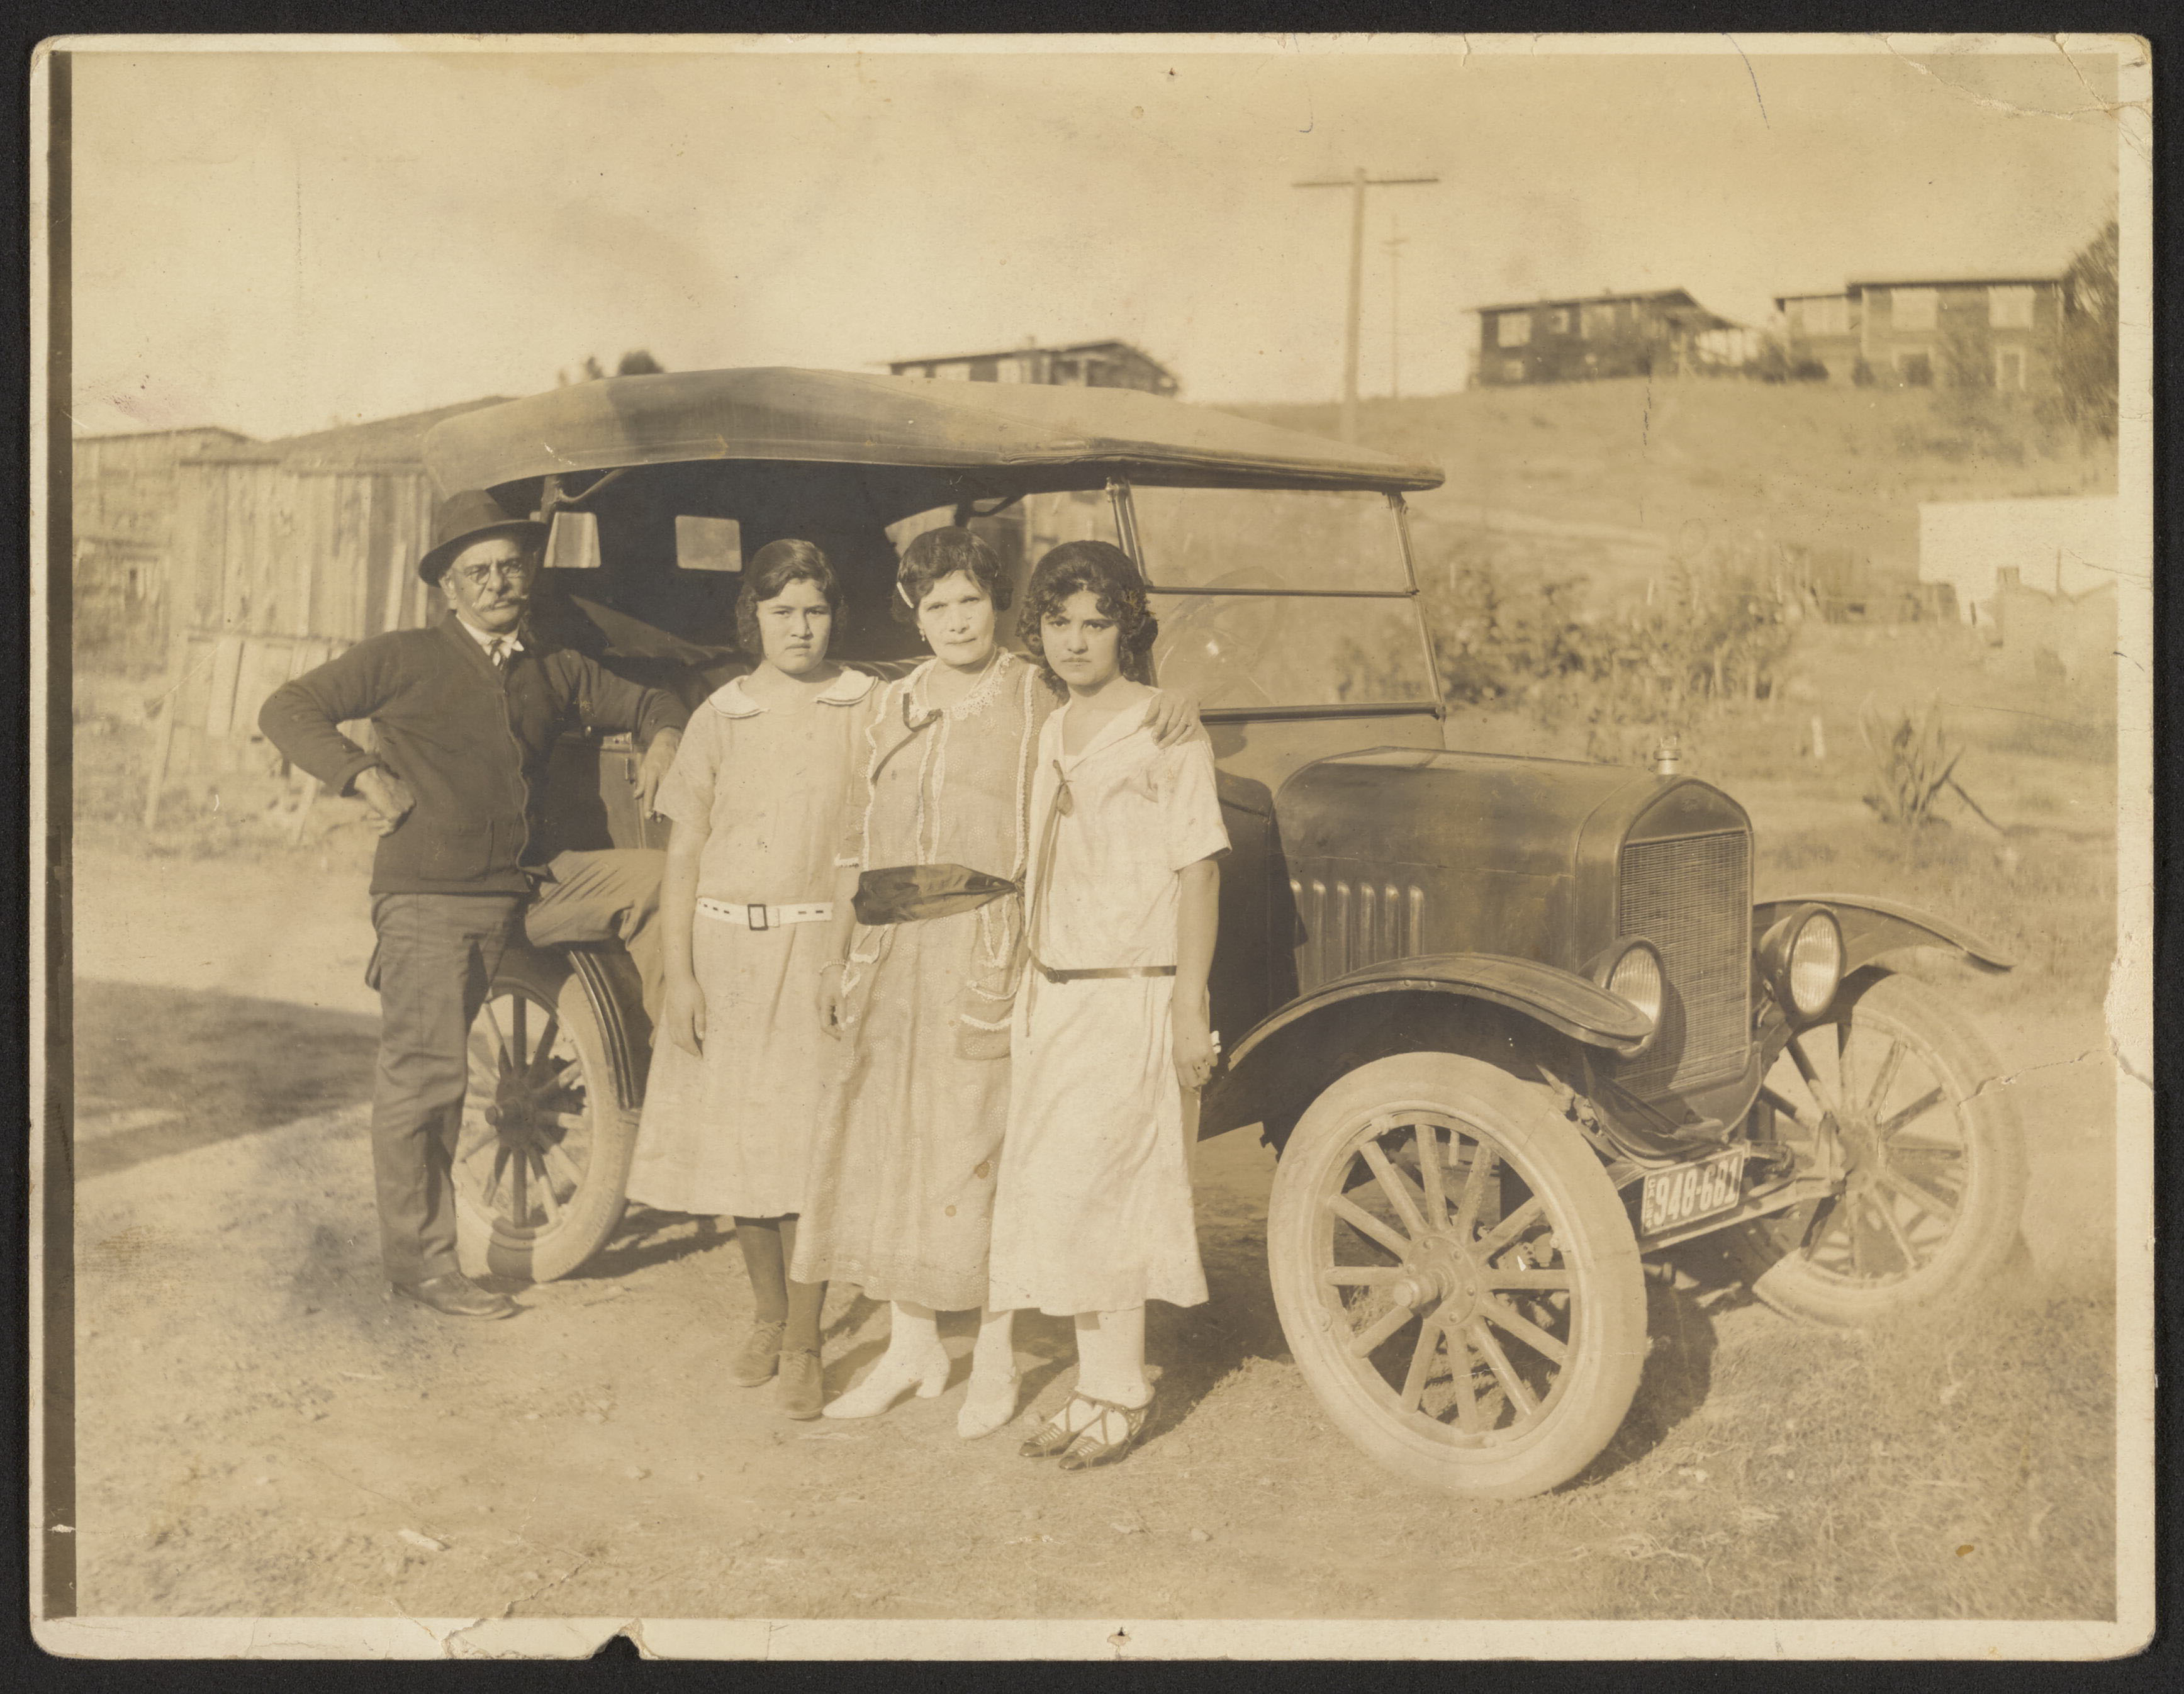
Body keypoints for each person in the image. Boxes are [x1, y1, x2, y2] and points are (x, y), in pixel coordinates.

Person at [788, 527, 1199, 1436]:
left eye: (970, 599)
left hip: (989, 945)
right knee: (896, 1149)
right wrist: (836, 952)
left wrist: (1183, 705)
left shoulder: (1033, 691)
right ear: (912, 611)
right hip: (890, 952)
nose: (955, 620)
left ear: (996, 604)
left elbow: (1124, 703)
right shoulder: (888, 706)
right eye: (935, 605)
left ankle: (998, 1359)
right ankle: (912, 1346)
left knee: (985, 1154)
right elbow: (854, 835)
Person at [259, 489, 686, 1321]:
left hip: (530, 888)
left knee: (662, 879)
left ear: (528, 574)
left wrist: (665, 738)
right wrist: (360, 773)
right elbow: (287, 708)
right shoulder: (403, 656)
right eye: (477, 571)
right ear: (448, 589)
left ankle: (683, 1079)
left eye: (510, 567)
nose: (496, 583)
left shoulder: (551, 666)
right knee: (426, 1080)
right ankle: (420, 1266)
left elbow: (648, 700)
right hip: (432, 900)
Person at [985, 541, 1226, 1471]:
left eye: (1097, 622)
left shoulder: (1169, 731)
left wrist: (1187, 1008)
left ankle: (1121, 1389)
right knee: (1067, 1195)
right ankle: (1097, 1384)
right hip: (1057, 993)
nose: (1077, 641)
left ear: (1129, 627)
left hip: (1135, 993)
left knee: (1113, 1194)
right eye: (1058, 623)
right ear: (1037, 631)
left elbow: (1198, 871)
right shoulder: (1051, 729)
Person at [622, 541, 873, 1419]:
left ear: (832, 615)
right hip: (726, 955)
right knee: (740, 1149)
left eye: (813, 610)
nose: (799, 628)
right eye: (781, 613)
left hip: (818, 951)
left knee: (808, 1153)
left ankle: (806, 1338)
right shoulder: (719, 716)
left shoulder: (867, 704)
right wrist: (681, 974)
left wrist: (845, 961)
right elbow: (684, 853)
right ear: (753, 620)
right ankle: (768, 1314)